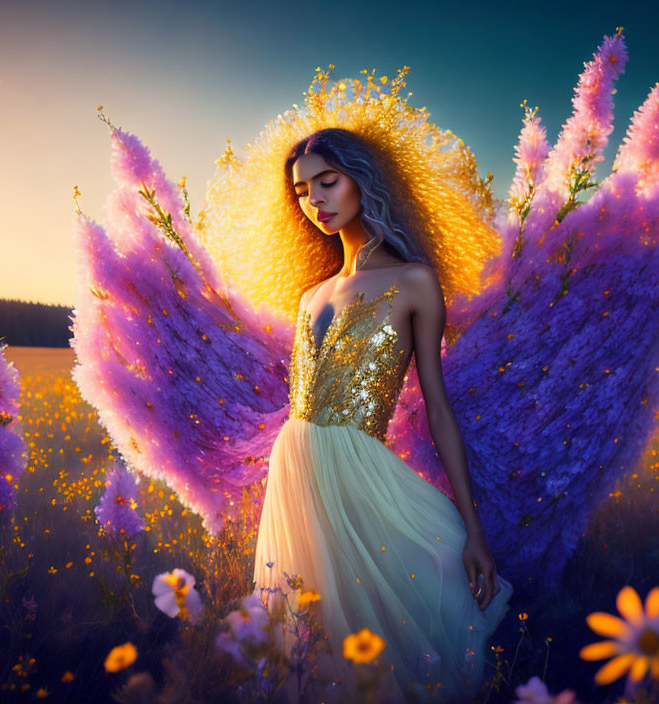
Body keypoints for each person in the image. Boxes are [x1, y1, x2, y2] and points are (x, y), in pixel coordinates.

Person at [252, 127, 513, 702]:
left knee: (379, 633)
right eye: (301, 190)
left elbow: (438, 408)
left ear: (362, 180)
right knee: (308, 637)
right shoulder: (310, 296)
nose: (314, 199)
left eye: (328, 181)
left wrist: (473, 530)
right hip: (294, 472)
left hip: (358, 473)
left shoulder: (414, 281)